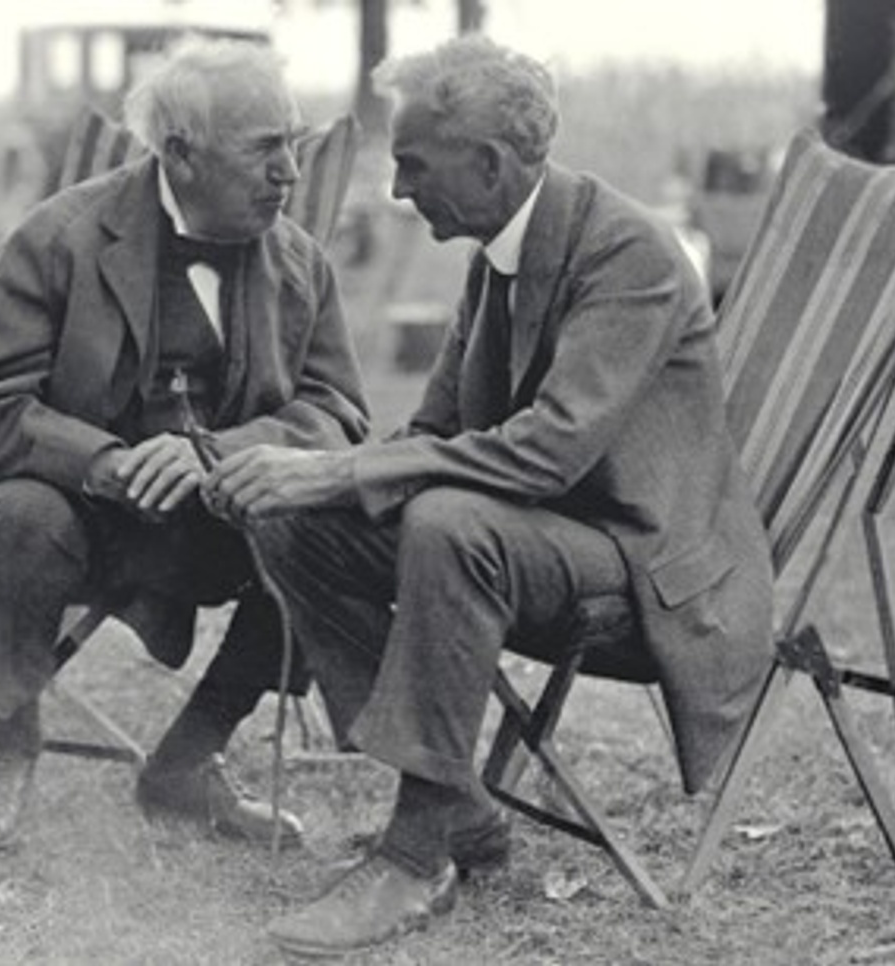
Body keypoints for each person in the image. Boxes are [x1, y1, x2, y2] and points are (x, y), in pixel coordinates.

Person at [204, 35, 775, 956]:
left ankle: (414, 854)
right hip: (539, 540)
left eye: (412, 164)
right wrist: (306, 478)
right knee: (295, 521)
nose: (396, 190)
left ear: (492, 164)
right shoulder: (496, 253)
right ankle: (462, 805)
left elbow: (548, 452)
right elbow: (435, 432)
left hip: (645, 566)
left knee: (448, 522)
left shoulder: (629, 253)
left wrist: (344, 470)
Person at [0, 37, 369, 853]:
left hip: (208, 528)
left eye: (292, 148)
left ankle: (188, 762)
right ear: (182, 154)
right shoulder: (58, 239)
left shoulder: (299, 263)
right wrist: (104, 463)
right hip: (68, 520)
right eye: (264, 151)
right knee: (19, 513)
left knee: (323, 527)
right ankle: (8, 743)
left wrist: (222, 453)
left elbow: (337, 413)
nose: (290, 175)